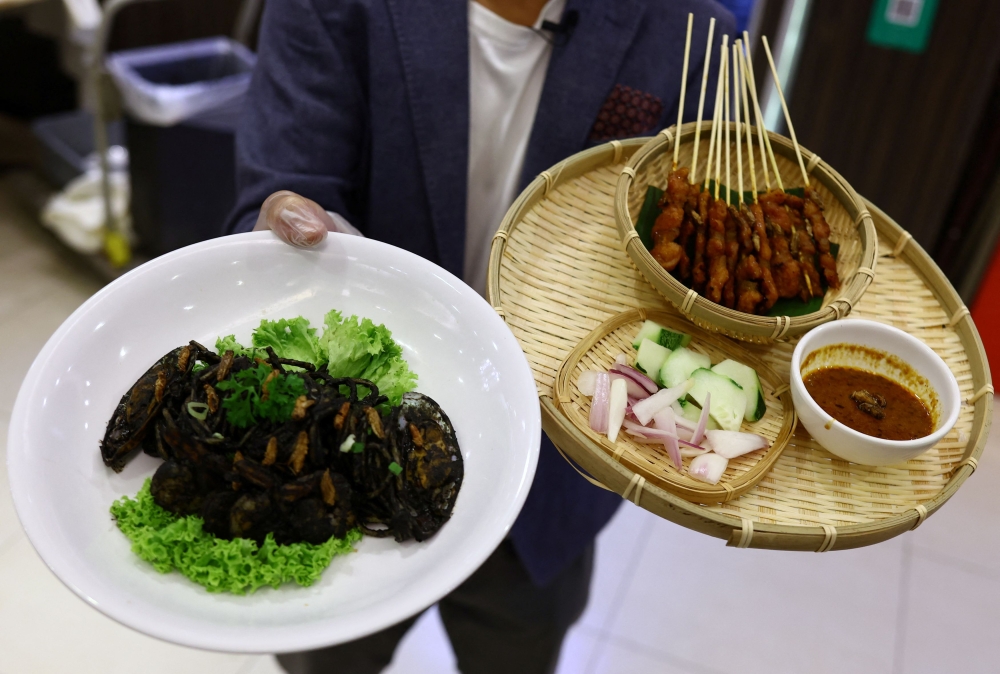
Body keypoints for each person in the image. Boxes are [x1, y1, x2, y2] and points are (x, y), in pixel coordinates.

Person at [225, 1, 734, 671]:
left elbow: (692, 255)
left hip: (546, 476)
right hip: (347, 452)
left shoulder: (694, 31)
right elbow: (279, 188)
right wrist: (287, 232)